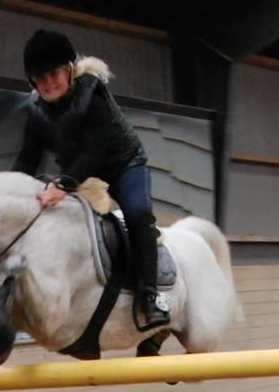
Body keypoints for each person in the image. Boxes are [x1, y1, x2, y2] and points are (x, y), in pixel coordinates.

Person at [12, 29, 170, 329]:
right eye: (40, 78)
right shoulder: (36, 112)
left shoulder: (93, 95)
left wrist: (63, 185)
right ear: (33, 81)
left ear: (70, 69)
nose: (48, 83)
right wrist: (6, 188)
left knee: (137, 214)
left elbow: (95, 152)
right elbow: (27, 158)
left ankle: (151, 297)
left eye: (54, 74)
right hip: (79, 171)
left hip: (123, 164)